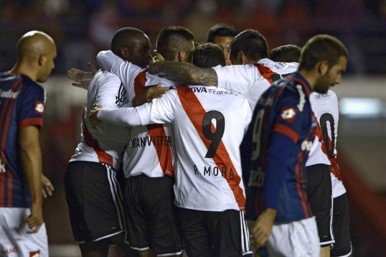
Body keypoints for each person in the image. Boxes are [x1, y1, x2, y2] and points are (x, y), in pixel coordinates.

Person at [90, 42, 253, 257]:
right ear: (221, 70)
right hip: (227, 200)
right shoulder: (239, 101)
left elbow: (134, 116)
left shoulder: (177, 97)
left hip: (189, 203)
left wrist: (100, 113)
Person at [94, 25, 195, 257]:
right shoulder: (185, 85)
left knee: (142, 251)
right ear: (181, 56)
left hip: (133, 180)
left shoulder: (135, 76)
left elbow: (104, 55)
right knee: (170, 251)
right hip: (162, 181)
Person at [246, 34, 348, 257]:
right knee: (327, 247)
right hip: (330, 179)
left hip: (294, 175)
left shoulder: (279, 93)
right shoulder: (329, 95)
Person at [64, 27, 154, 257]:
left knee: (96, 249)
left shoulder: (108, 75)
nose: (149, 53)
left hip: (86, 167)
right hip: (97, 167)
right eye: (142, 48)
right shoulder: (112, 79)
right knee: (131, 242)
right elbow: (102, 111)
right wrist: (139, 104)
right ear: (124, 51)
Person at [0, 30, 56, 257]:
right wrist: (36, 203)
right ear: (42, 58)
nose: (52, 66)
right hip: (14, 201)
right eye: (52, 59)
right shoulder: (31, 91)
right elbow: (28, 145)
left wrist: (35, 173)